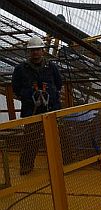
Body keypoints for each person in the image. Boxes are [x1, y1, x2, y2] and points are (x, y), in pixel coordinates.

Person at [12, 36, 63, 175]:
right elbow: (16, 88)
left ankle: (60, 163)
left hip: (50, 108)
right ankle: (26, 165)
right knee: (30, 139)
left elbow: (59, 84)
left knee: (55, 138)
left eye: (38, 50)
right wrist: (28, 96)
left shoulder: (51, 67)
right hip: (31, 110)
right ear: (30, 52)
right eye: (33, 50)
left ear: (42, 51)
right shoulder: (21, 69)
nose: (35, 52)